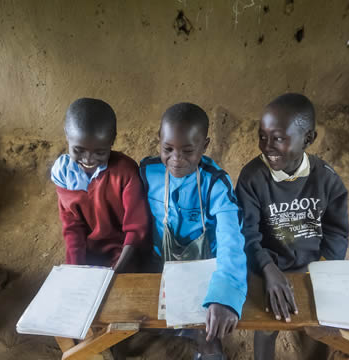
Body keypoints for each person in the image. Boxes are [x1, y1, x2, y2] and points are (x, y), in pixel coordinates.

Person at [235, 93, 349, 360]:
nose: (267, 146)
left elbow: (337, 232)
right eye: (262, 136)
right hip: (268, 268)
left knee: (318, 331)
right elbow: (247, 233)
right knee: (266, 326)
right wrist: (268, 269)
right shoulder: (252, 178)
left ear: (308, 138)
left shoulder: (327, 180)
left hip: (313, 269)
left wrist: (321, 270)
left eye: (278, 138)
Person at [140, 102, 247, 359]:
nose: (176, 159)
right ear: (159, 141)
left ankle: (205, 343)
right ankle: (172, 331)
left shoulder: (215, 183)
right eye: (168, 149)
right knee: (149, 320)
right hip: (161, 263)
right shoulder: (148, 172)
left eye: (188, 151)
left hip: (204, 267)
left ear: (205, 146)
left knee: (208, 332)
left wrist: (224, 295)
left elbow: (231, 239)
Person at [51, 98, 151, 272]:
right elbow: (73, 227)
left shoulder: (125, 172)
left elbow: (136, 230)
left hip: (125, 254)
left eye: (100, 152)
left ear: (112, 140)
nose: (88, 160)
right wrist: (76, 269)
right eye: (78, 150)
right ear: (67, 134)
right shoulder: (64, 175)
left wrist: (117, 272)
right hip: (90, 254)